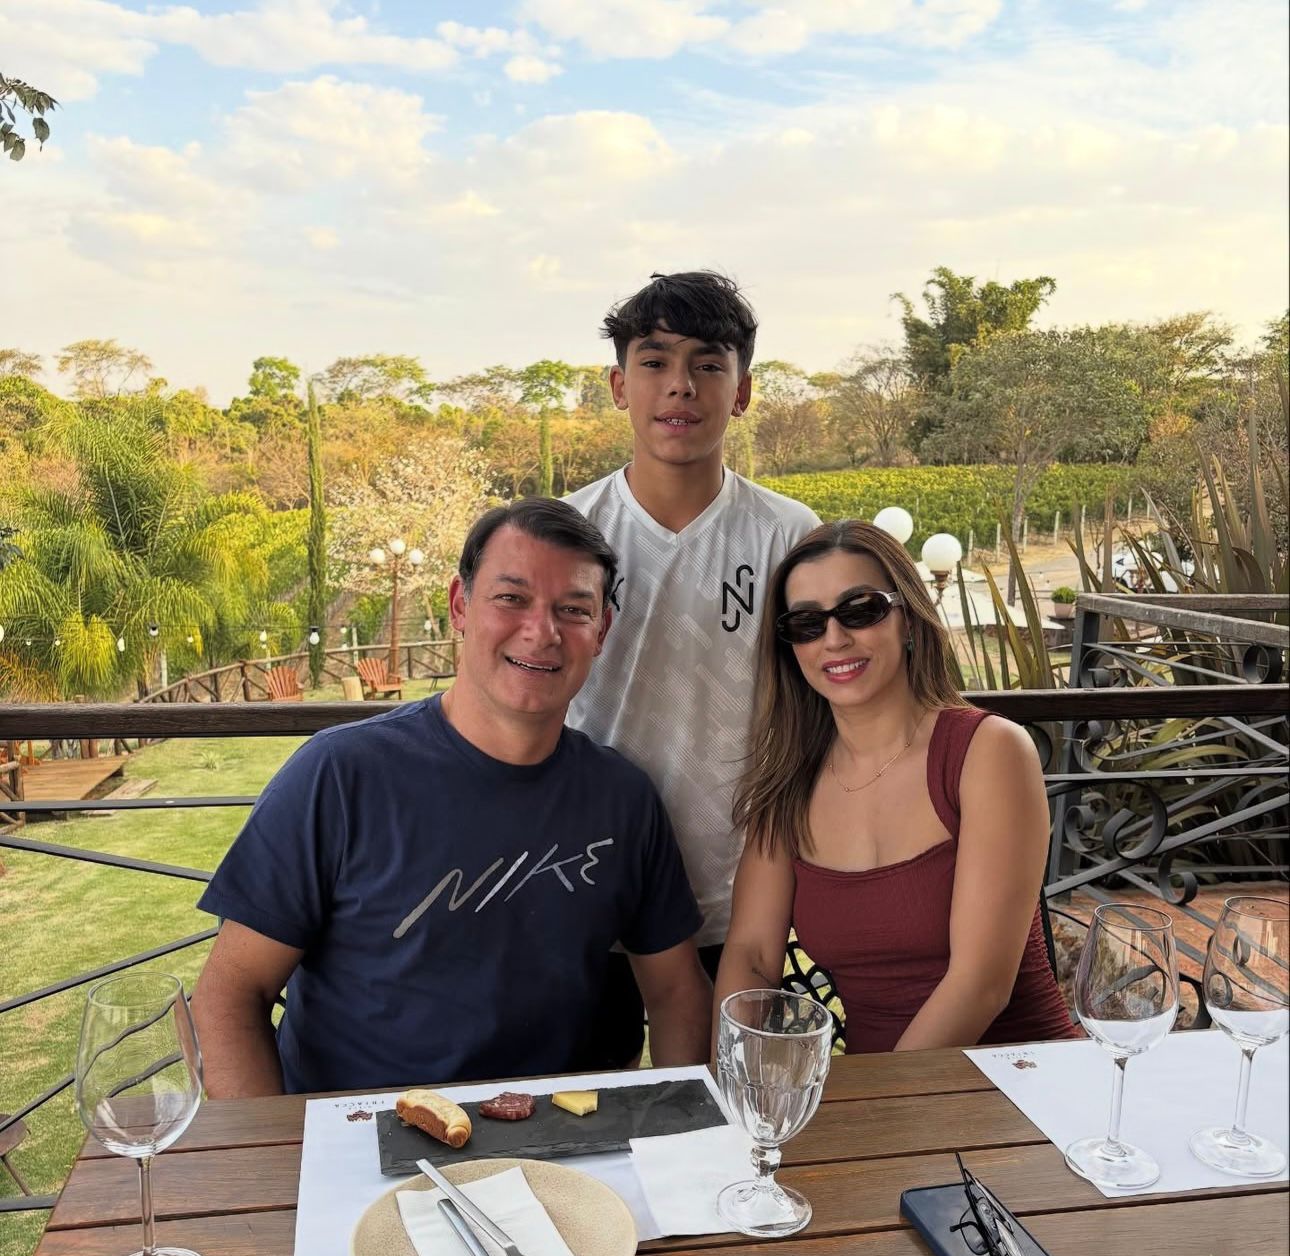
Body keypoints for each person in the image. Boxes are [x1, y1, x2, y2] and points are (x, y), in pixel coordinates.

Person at [190, 498, 713, 1096]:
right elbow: (229, 996)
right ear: (460, 605)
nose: (542, 632)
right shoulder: (340, 775)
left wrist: (683, 1130)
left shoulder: (623, 798)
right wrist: (275, 1151)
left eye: (573, 610)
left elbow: (676, 992)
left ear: (601, 632)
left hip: (562, 1131)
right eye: (511, 598)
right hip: (363, 1130)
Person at [565, 270, 819, 1065]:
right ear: (619, 385)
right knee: (579, 1110)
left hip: (739, 895)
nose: (681, 385)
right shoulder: (569, 533)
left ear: (741, 391)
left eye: (708, 363)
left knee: (716, 1115)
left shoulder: (788, 536)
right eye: (655, 362)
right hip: (583, 884)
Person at [716, 520, 1078, 1051]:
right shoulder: (789, 781)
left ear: (908, 619)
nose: (834, 639)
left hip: (1018, 1077)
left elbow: (981, 986)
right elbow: (751, 954)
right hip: (875, 1089)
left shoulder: (988, 751)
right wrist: (737, 1076)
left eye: (861, 610)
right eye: (807, 623)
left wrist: (879, 1098)